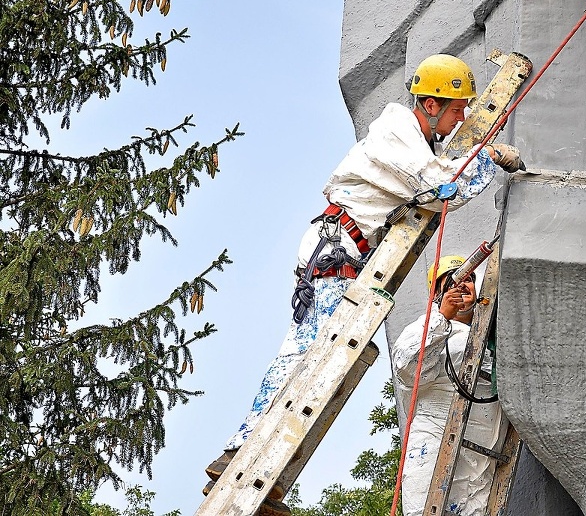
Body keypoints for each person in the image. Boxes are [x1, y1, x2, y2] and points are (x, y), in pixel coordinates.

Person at [202, 55, 522, 514]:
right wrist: (489, 158)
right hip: (336, 251)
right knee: (307, 359)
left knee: (323, 364)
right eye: (456, 109)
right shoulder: (398, 134)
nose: (462, 119)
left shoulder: (417, 141)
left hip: (345, 250)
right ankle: (240, 453)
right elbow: (442, 189)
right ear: (431, 103)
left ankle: (264, 470)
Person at [392, 255, 506, 516]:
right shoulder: (424, 327)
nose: (463, 285)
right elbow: (410, 370)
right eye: (454, 280)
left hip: (481, 461)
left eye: (469, 279)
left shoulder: (486, 334)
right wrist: (441, 318)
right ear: (437, 293)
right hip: (434, 450)